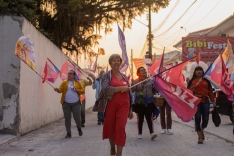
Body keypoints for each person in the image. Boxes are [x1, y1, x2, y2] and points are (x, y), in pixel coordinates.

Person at [100, 54, 133, 156]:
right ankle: (112, 147)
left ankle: (119, 154)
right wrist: (119, 88)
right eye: (114, 60)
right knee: (111, 127)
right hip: (110, 105)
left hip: (124, 106)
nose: (116, 62)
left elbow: (129, 92)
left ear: (120, 62)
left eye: (118, 60)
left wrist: (130, 108)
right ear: (110, 63)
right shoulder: (106, 76)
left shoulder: (124, 77)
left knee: (120, 128)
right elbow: (105, 90)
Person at [187, 66, 214, 144]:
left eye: (200, 70)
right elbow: (188, 92)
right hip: (196, 101)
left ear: (202, 72)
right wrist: (192, 88)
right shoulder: (191, 81)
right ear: (195, 72)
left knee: (206, 119)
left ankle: (201, 131)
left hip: (205, 100)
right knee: (197, 118)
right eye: (197, 70)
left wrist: (213, 101)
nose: (199, 71)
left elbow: (210, 91)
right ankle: (199, 136)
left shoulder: (206, 81)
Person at [54, 70, 85, 138]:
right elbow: (61, 90)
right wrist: (57, 90)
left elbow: (83, 91)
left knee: (77, 118)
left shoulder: (78, 83)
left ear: (74, 76)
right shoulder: (64, 83)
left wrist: (77, 90)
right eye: (68, 73)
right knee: (67, 118)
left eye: (71, 74)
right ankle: (68, 133)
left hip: (76, 103)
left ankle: (79, 128)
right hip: (66, 103)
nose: (69, 75)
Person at [131, 67, 157, 140]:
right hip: (139, 102)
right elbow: (132, 90)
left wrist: (156, 86)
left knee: (149, 118)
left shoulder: (151, 81)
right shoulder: (136, 81)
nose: (144, 71)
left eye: (144, 70)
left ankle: (152, 133)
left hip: (149, 102)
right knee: (140, 118)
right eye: (142, 70)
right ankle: (140, 133)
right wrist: (132, 84)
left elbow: (155, 91)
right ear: (138, 73)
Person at [160, 67, 173, 135]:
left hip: (168, 98)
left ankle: (169, 128)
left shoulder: (169, 79)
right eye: (162, 71)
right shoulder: (158, 80)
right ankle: (163, 128)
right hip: (160, 98)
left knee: (168, 113)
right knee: (162, 113)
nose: (163, 72)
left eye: (165, 71)